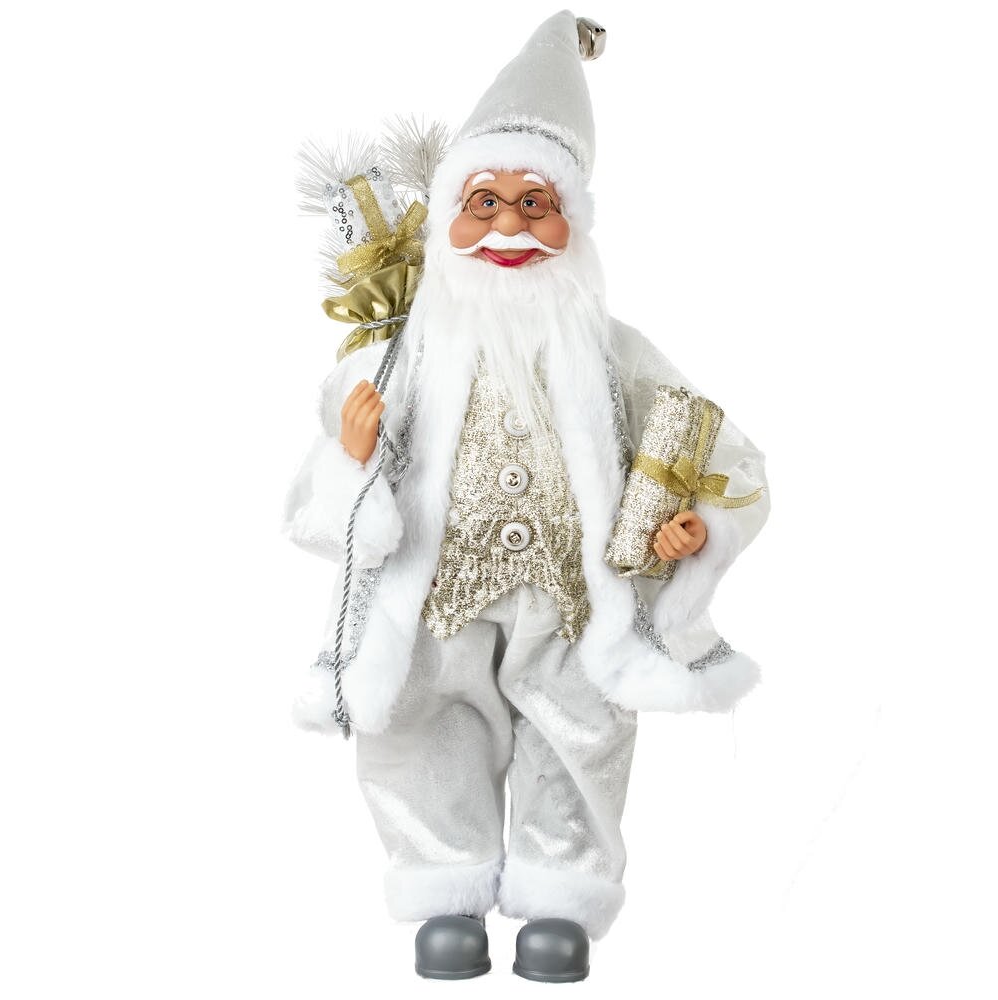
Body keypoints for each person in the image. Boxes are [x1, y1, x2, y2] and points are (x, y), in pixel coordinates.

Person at [283, 10, 770, 983]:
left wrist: (691, 525)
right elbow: (318, 488)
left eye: (535, 202)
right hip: (434, 593)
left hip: (570, 598)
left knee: (578, 732)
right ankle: (443, 883)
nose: (508, 225)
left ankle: (561, 896)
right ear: (449, 219)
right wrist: (355, 455)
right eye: (485, 201)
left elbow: (716, 449)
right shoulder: (404, 352)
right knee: (423, 726)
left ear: (573, 220)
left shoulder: (612, 351)